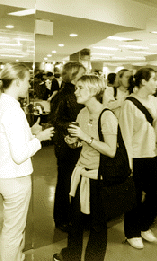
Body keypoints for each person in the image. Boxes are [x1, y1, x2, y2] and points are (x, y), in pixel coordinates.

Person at [0, 63, 54, 261]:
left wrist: (31, 132)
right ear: (17, 82)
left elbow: (7, 143)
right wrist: (40, 138)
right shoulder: (12, 109)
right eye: (26, 81)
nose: (29, 85)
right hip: (14, 178)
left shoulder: (1, 105)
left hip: (2, 176)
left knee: (13, 229)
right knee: (13, 232)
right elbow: (19, 154)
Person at [53, 75, 118, 261]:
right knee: (75, 219)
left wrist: (84, 136)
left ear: (92, 90)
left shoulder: (107, 116)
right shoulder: (82, 112)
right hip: (81, 172)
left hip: (99, 176)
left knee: (97, 224)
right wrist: (73, 141)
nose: (76, 91)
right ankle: (72, 254)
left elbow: (110, 151)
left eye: (80, 88)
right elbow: (81, 143)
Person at [118, 67, 157, 250]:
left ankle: (144, 226)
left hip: (153, 156)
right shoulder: (128, 104)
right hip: (136, 157)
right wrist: (128, 164)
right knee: (133, 198)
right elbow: (125, 135)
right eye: (154, 79)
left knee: (155, 196)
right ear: (143, 82)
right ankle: (132, 232)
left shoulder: (156, 102)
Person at [49, 61, 86, 232]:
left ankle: (72, 215)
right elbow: (55, 120)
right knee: (65, 182)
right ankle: (61, 218)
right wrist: (75, 127)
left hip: (78, 143)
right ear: (72, 76)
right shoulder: (62, 96)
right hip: (66, 146)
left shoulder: (80, 94)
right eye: (82, 74)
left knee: (75, 181)